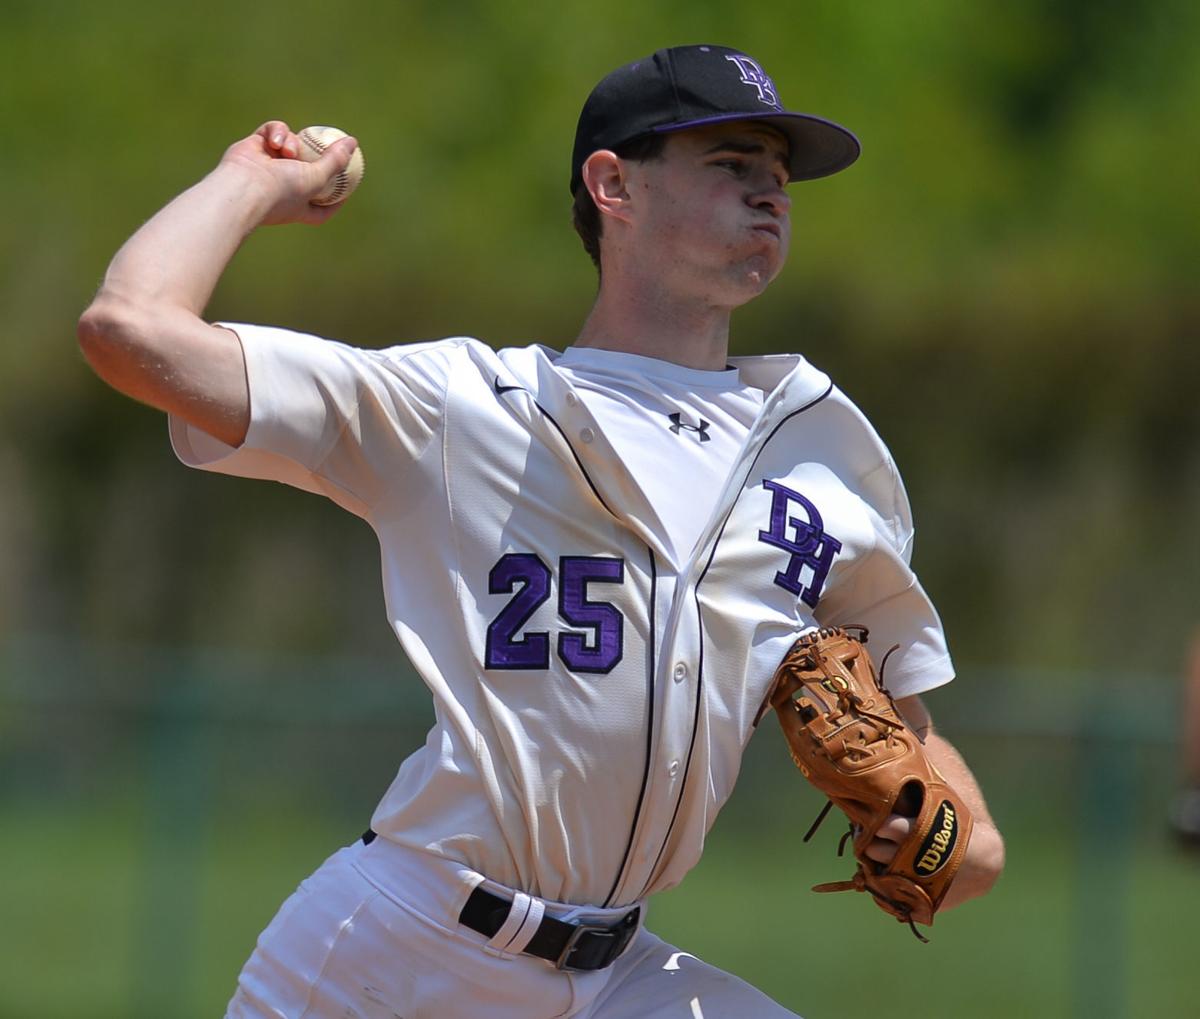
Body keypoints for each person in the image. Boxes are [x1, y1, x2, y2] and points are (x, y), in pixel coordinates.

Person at [79, 44, 1005, 1019]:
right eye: (731, 165)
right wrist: (246, 184)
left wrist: (962, 834)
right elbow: (131, 327)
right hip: (397, 954)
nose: (770, 193)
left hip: (619, 974)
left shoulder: (818, 456)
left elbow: (908, 729)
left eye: (780, 177)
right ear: (614, 185)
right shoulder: (467, 408)